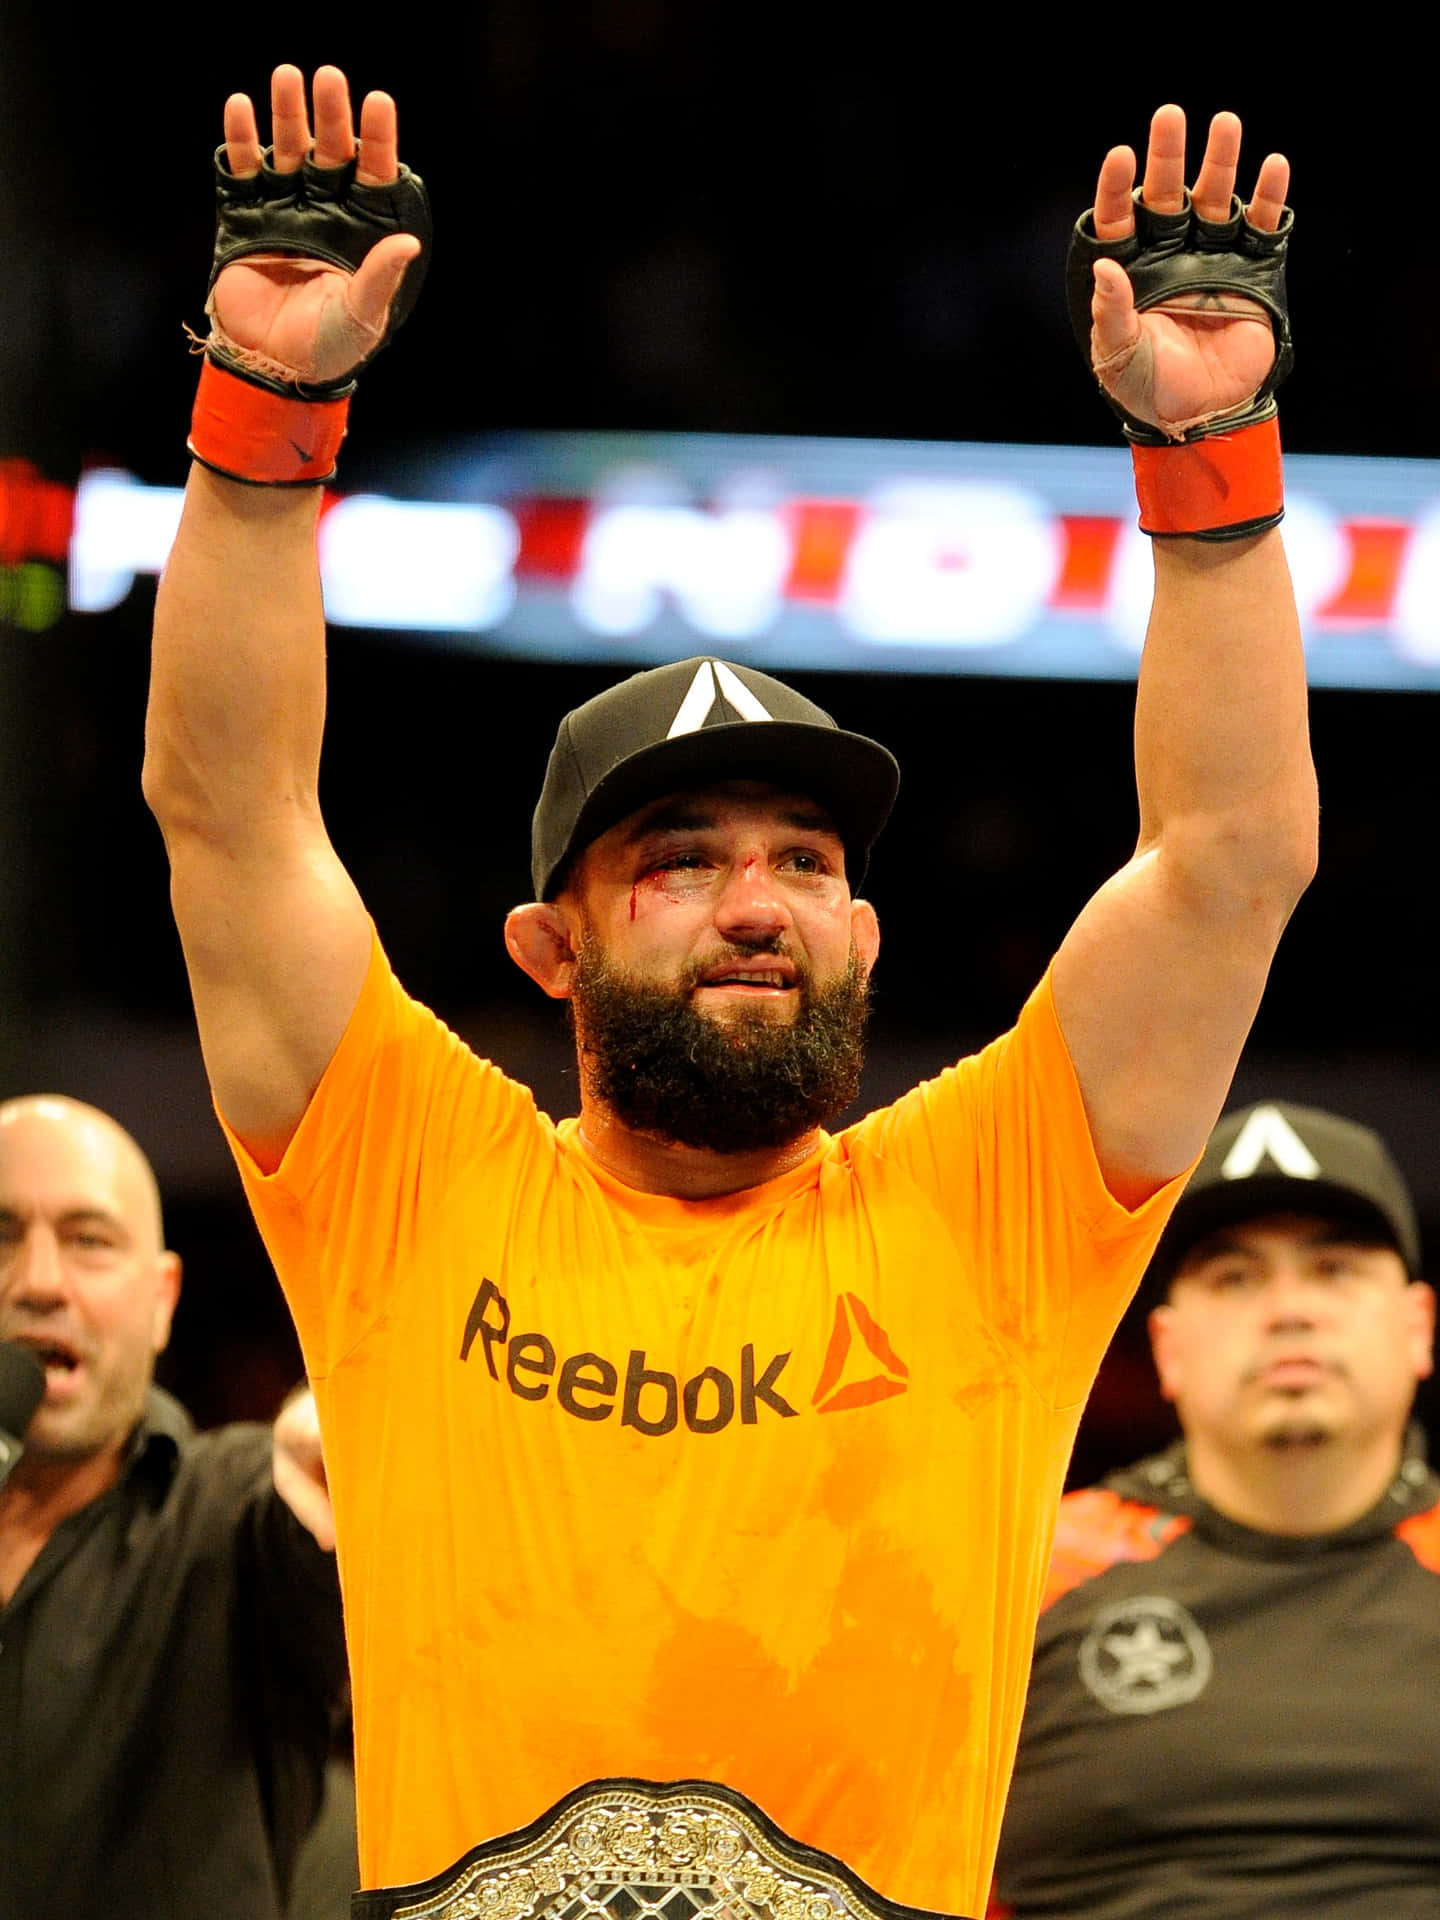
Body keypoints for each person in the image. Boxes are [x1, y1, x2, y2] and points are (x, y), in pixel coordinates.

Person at [141, 66, 1317, 1920]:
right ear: (551, 947)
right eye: (677, 859)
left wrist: (1217, 459)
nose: (755, 905)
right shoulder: (407, 1178)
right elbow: (228, 818)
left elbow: (1232, 854)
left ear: (867, 936)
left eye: (805, 863)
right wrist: (266, 408)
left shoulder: (995, 1205)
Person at [990, 1101, 1440, 1919]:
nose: (1288, 1311)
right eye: (1235, 1278)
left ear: (1419, 1327)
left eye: (1334, 1268)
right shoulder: (1020, 1573)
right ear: (1166, 1347)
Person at [0, 1093, 351, 1919]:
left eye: (88, 1241)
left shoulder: (235, 1515)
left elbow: (308, 1509)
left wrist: (341, 1447)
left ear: (162, 1301)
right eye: (1, 1236)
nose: (39, 1282)